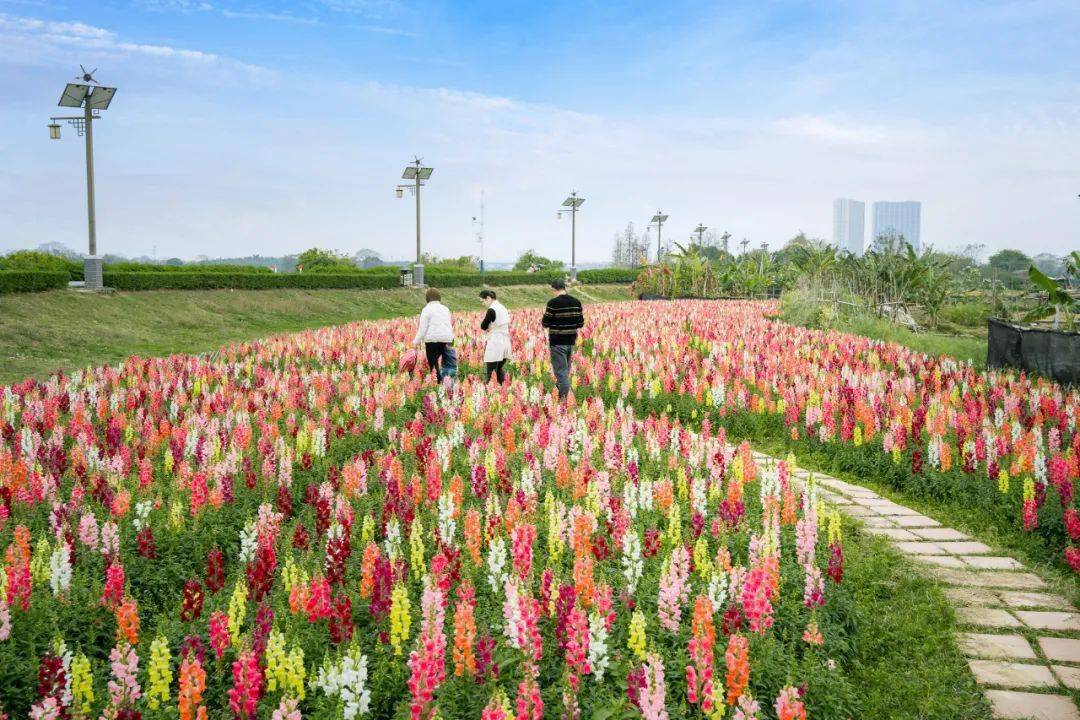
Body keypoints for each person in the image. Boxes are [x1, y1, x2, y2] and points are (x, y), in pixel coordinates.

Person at [540, 278, 584, 401]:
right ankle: (560, 396)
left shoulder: (553, 303)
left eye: (552, 291)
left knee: (561, 373)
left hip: (557, 342)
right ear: (564, 288)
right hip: (570, 341)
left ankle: (566, 401)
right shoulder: (576, 302)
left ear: (554, 289)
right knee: (565, 372)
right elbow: (580, 323)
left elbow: (545, 323)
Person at [412, 288, 456, 382]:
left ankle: (437, 382)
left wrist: (415, 342)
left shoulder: (426, 309)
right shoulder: (445, 308)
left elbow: (423, 329)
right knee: (448, 364)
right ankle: (448, 381)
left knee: (434, 365)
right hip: (447, 339)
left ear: (427, 298)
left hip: (433, 340)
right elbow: (449, 324)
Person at [479, 289, 512, 383]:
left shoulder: (492, 309)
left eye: (482, 301)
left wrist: (489, 327)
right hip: (505, 342)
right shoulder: (502, 307)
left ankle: (490, 393)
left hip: (495, 343)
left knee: (491, 373)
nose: (483, 304)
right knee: (498, 371)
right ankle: (506, 388)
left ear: (488, 298)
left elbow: (483, 326)